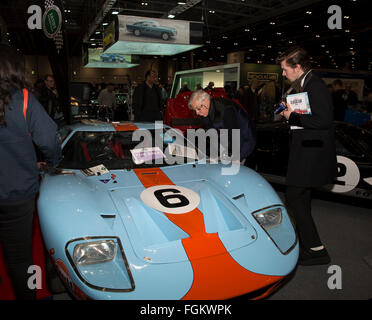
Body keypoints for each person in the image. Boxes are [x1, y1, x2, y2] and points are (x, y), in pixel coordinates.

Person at [0, 44, 62, 299]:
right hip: (17, 195)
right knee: (20, 260)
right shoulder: (24, 98)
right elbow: (49, 140)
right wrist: (53, 161)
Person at [276, 46, 337, 266]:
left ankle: (316, 249)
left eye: (285, 69)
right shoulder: (303, 84)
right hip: (305, 151)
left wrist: (293, 117)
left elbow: (324, 121)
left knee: (293, 197)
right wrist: (288, 112)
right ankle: (310, 245)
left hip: (312, 154)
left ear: (298, 67)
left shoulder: (315, 85)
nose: (283, 73)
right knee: (301, 199)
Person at [188, 90, 256, 163]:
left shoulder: (226, 110)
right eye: (195, 110)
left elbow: (235, 136)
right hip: (229, 138)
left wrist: (237, 157)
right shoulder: (204, 114)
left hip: (244, 139)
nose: (197, 113)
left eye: (198, 108)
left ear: (206, 102)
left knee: (235, 167)